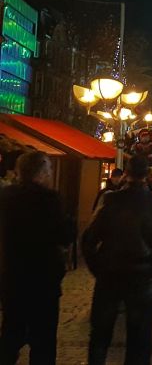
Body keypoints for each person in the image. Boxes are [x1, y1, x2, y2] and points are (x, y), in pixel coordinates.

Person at [82, 154, 152, 365]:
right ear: (148, 174)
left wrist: (99, 268)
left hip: (110, 274)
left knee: (100, 334)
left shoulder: (111, 200)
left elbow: (89, 240)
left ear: (126, 173)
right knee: (139, 336)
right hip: (142, 276)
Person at [0, 152, 75, 365]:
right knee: (43, 341)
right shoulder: (49, 200)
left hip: (12, 277)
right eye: (49, 169)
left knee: (11, 333)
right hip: (43, 280)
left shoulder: (6, 197)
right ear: (40, 172)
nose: (50, 173)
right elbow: (63, 235)